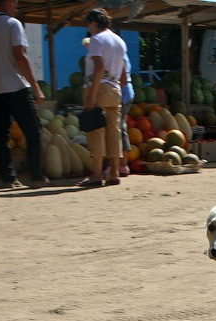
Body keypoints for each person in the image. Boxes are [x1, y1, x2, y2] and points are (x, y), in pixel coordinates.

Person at [0, 0, 46, 189]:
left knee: (1, 135)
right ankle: (37, 175)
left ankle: (8, 178)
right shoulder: (13, 24)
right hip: (15, 87)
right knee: (34, 129)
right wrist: (35, 86)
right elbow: (20, 56)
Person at [78, 8, 127, 188]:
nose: (88, 28)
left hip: (98, 86)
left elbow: (98, 67)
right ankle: (114, 172)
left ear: (93, 22)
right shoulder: (119, 41)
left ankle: (97, 174)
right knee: (114, 131)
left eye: (88, 24)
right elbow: (123, 75)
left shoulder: (96, 40)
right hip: (115, 89)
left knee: (95, 130)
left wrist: (92, 94)